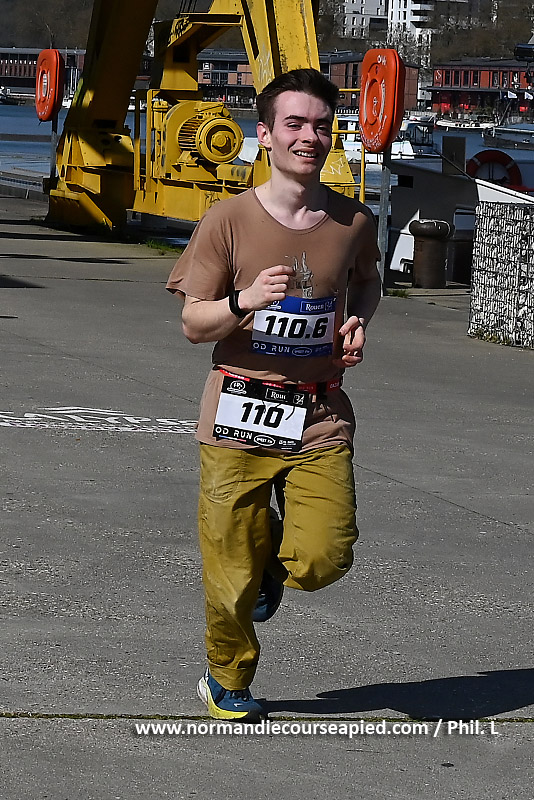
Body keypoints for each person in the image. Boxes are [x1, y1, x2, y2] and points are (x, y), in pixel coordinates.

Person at [166, 68, 381, 721]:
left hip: (318, 413)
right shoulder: (227, 220)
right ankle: (227, 680)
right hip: (240, 410)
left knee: (321, 558)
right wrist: (245, 300)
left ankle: (273, 561)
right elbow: (193, 323)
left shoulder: (353, 220)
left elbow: (366, 280)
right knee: (229, 572)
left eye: (322, 125)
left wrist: (357, 319)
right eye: (294, 123)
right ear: (264, 135)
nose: (309, 136)